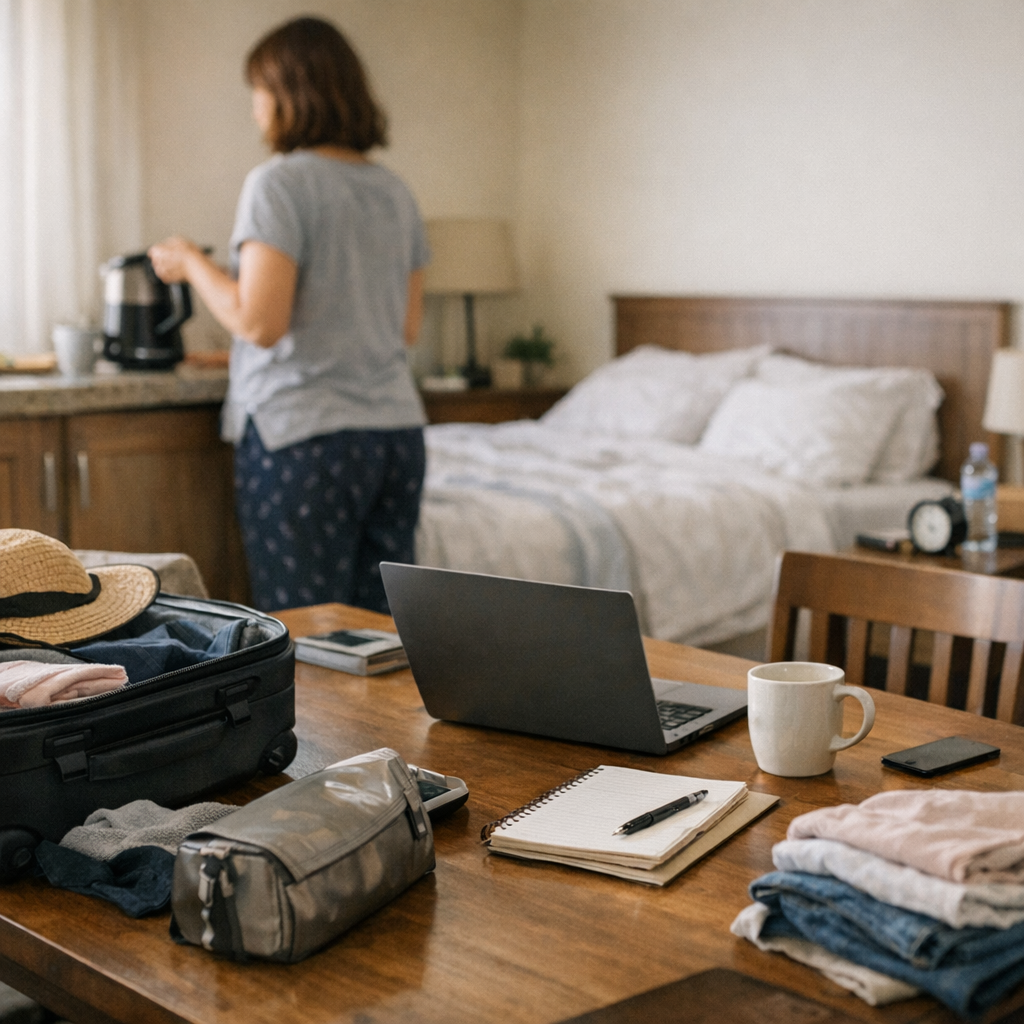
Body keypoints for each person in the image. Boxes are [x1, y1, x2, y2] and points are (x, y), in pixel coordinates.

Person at [149, 16, 429, 614]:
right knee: (380, 640)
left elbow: (260, 323)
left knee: (307, 635)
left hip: (305, 441)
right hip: (394, 439)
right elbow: (399, 329)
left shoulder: (279, 184)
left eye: (260, 90)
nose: (255, 108)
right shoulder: (394, 191)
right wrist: (237, 359)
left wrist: (193, 265)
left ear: (289, 93)